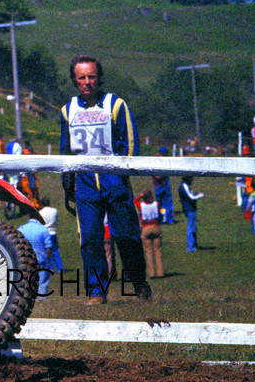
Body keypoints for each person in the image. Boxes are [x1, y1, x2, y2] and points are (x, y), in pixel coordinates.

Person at [60, 54, 150, 306]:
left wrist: (123, 175)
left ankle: (138, 283)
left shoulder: (115, 104)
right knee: (89, 238)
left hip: (114, 181)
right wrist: (68, 185)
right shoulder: (68, 111)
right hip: (85, 185)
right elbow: (65, 151)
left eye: (91, 76)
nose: (87, 82)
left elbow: (131, 144)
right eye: (82, 77)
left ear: (98, 78)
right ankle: (97, 292)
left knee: (126, 236)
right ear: (74, 80)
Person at [18, 216, 53, 296]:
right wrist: (47, 257)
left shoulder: (21, 228)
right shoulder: (43, 229)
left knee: (27, 279)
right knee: (42, 280)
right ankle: (41, 296)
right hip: (41, 258)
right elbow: (48, 246)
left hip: (26, 259)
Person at [134, 188, 164, 278]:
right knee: (158, 250)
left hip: (146, 227)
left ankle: (151, 273)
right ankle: (160, 272)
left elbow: (134, 202)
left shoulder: (141, 205)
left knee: (148, 251)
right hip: (155, 226)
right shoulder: (157, 204)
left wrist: (140, 195)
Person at [178, 176, 204, 253]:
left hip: (189, 209)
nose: (192, 181)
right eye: (191, 179)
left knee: (193, 227)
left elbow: (190, 195)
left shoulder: (185, 186)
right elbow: (191, 197)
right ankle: (190, 247)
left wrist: (196, 194)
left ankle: (193, 246)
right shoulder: (184, 186)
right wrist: (200, 195)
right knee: (191, 227)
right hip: (189, 209)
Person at [152, 146, 175, 224]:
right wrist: (165, 174)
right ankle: (165, 219)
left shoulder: (155, 161)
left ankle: (165, 219)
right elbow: (157, 176)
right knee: (164, 204)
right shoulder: (157, 162)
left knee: (164, 204)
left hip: (161, 185)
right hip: (160, 186)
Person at [39, 204, 64, 273]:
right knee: (55, 251)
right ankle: (60, 268)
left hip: (46, 233)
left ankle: (50, 268)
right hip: (53, 232)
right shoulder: (54, 211)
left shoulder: (41, 212)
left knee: (47, 252)